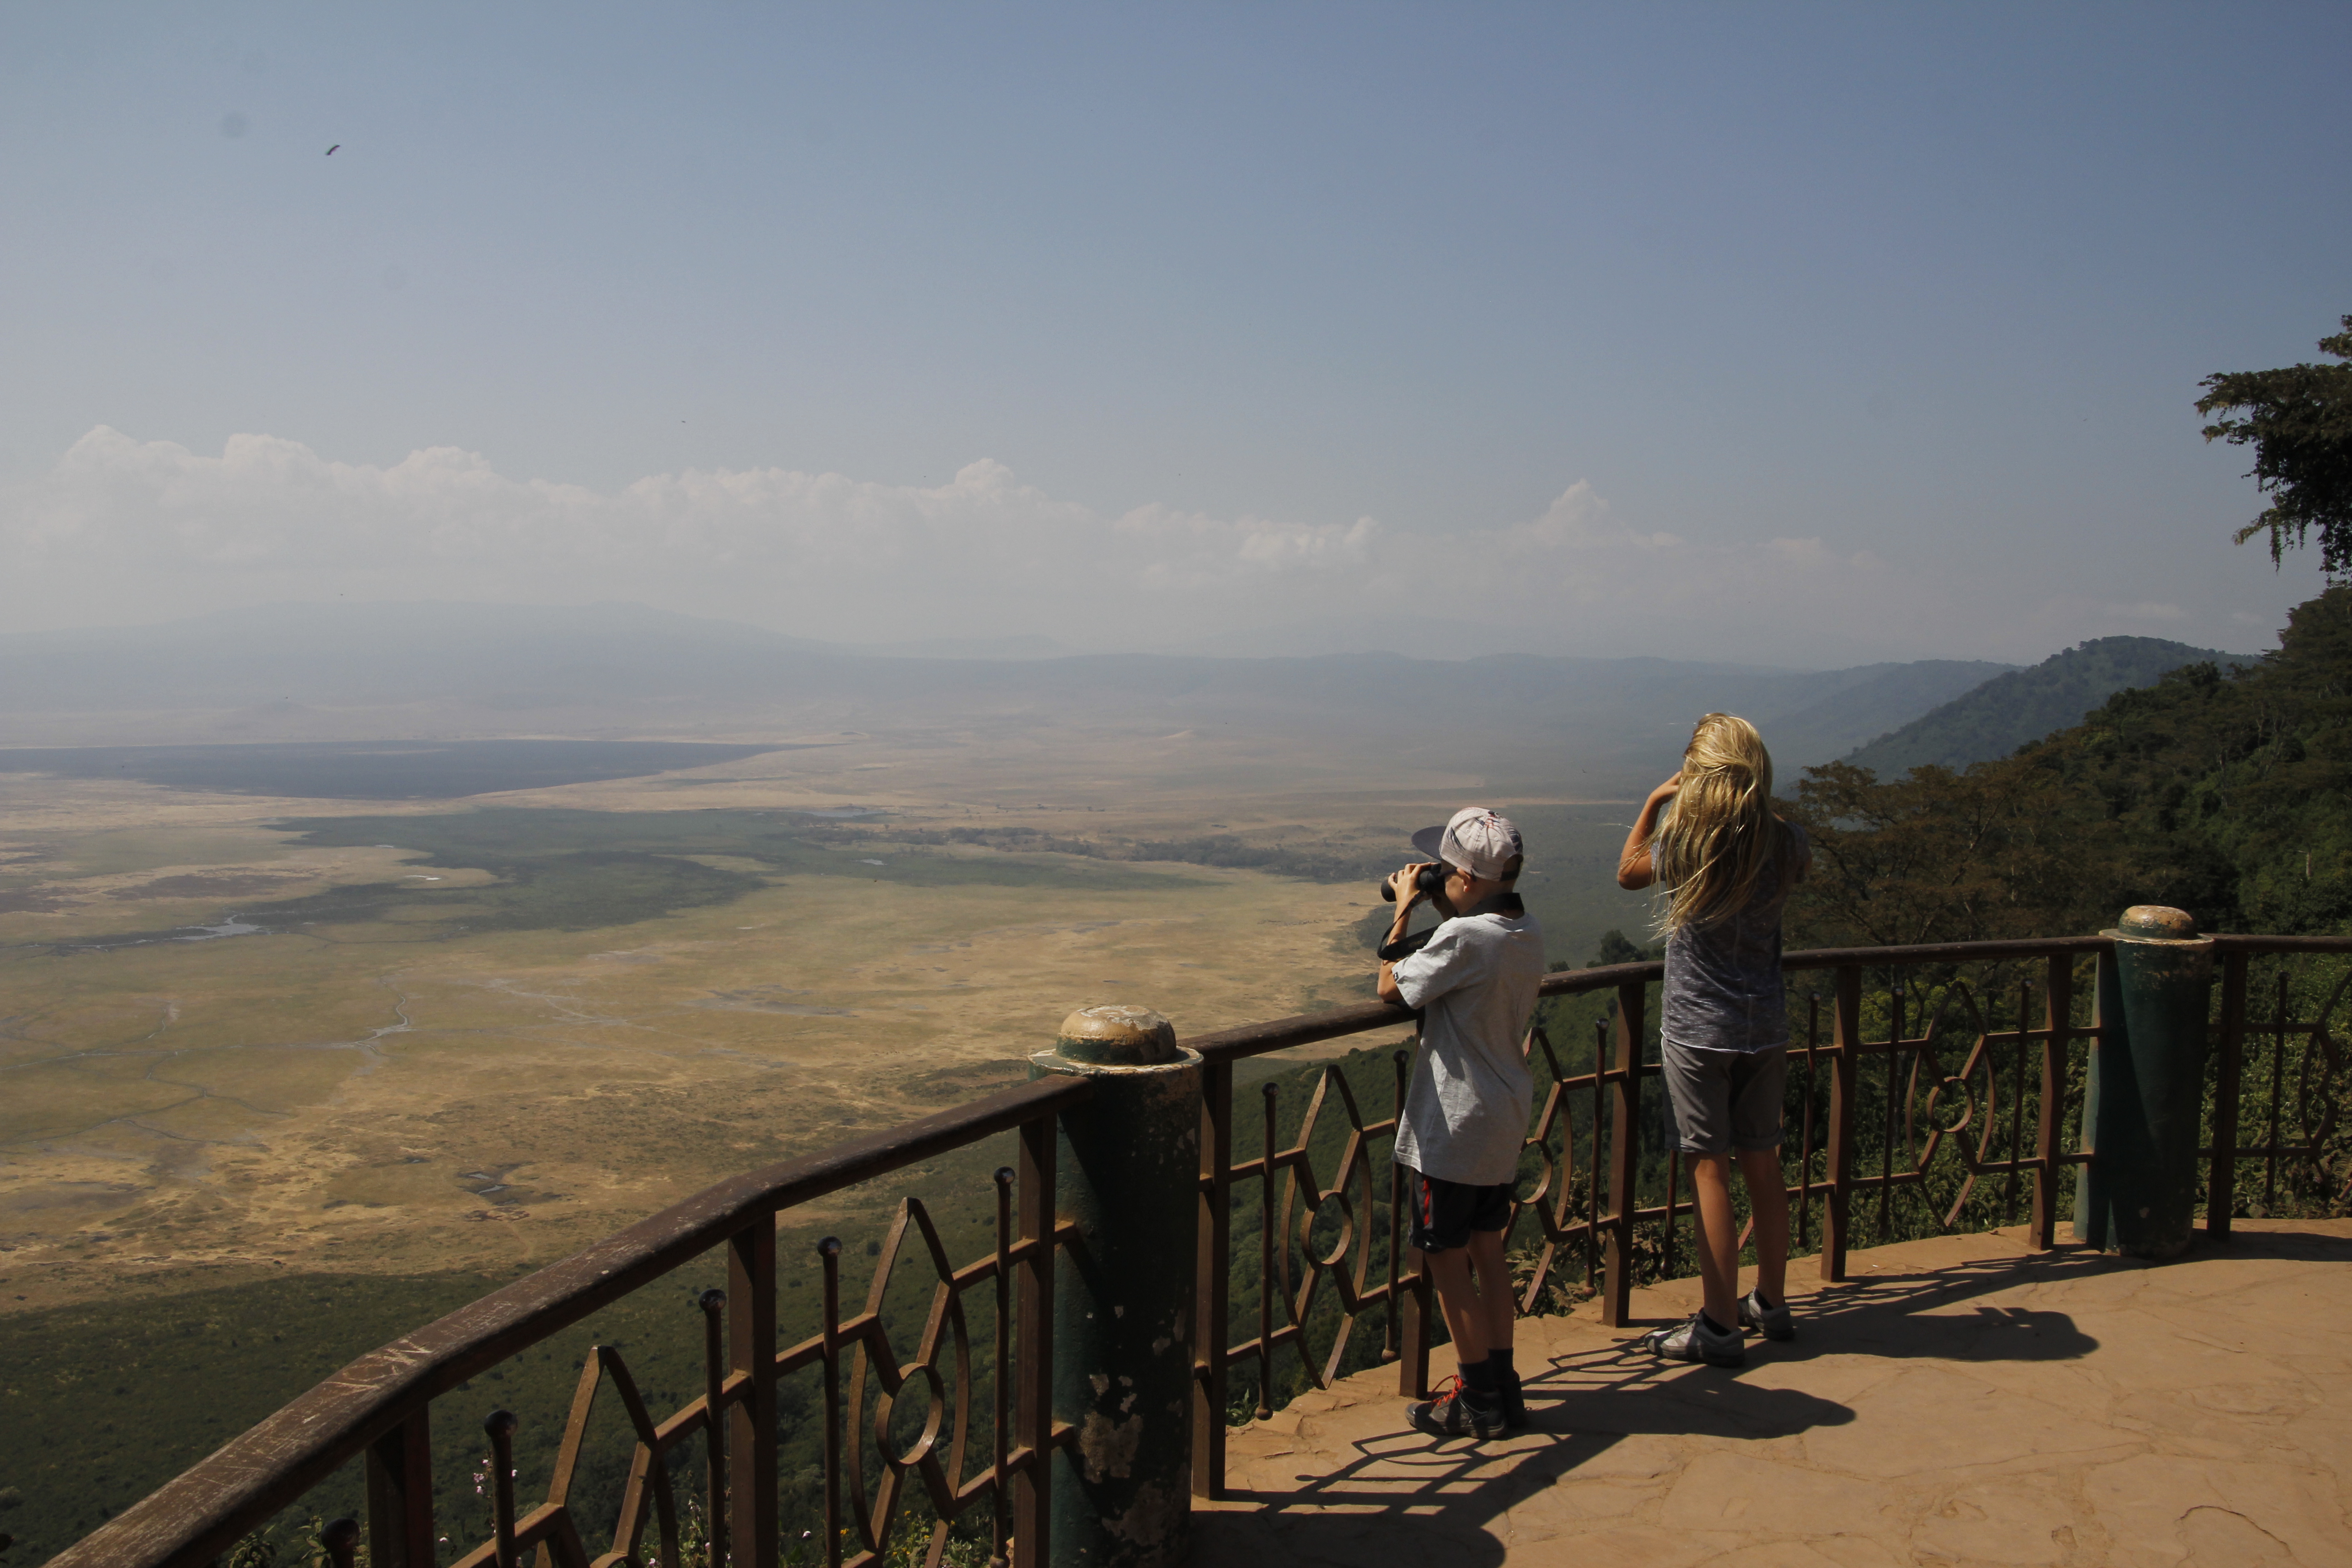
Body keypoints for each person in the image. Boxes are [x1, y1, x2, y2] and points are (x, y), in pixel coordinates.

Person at [1617, 713, 1809, 1368]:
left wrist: (1655, 802)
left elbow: (1629, 872)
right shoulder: (1787, 841)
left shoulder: (1690, 842)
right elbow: (1794, 869)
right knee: (1764, 1163)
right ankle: (1772, 1303)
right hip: (1766, 1024)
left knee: (1710, 1171)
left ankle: (1720, 1326)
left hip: (1699, 1028)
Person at [1377, 807, 1546, 1438]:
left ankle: (1476, 1398)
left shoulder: (1467, 938)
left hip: (1453, 1126)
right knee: (1487, 1251)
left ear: (1468, 879)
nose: (1434, 876)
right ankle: (1503, 1386)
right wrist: (1441, 899)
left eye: (1444, 870)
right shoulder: (1524, 929)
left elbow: (1390, 988)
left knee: (1446, 1261)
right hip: (1502, 1115)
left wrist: (1404, 907)